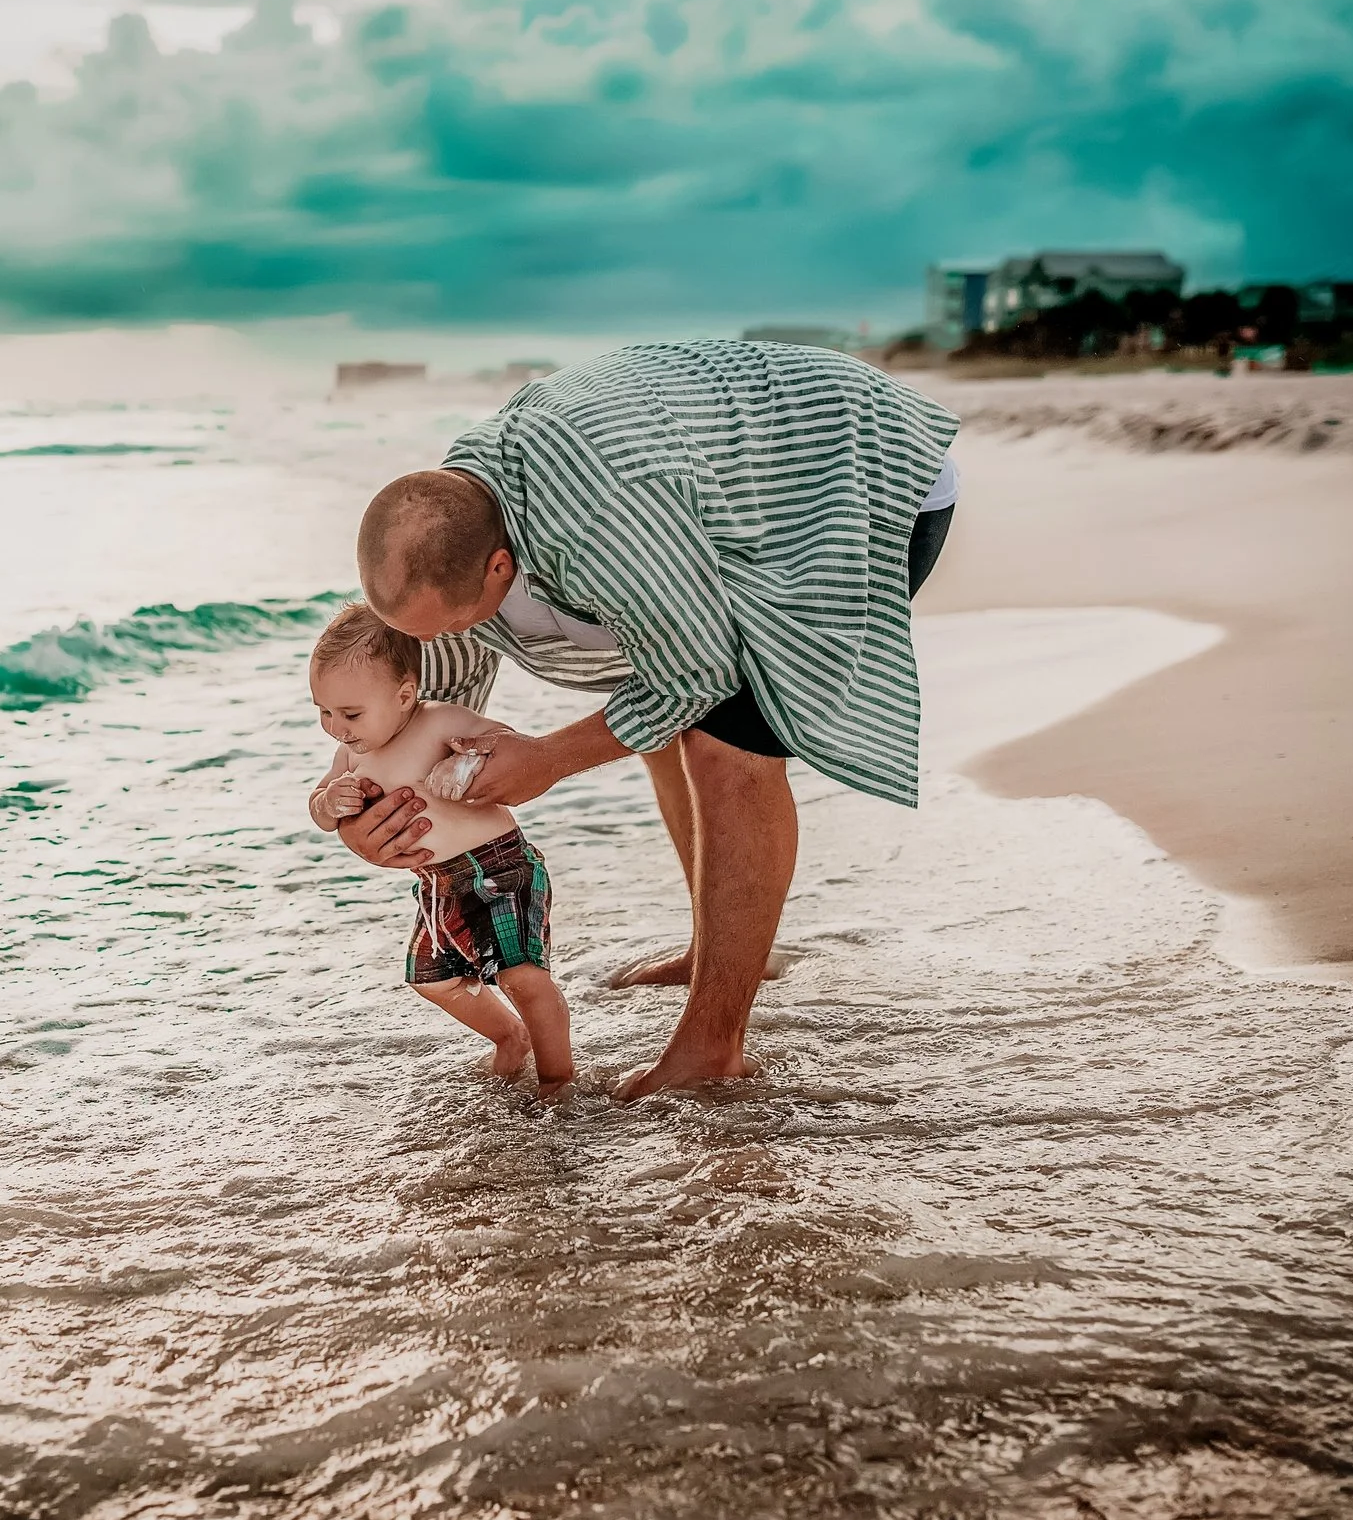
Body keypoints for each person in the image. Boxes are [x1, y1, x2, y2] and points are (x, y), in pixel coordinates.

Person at [333, 339, 959, 1100]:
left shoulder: (600, 520)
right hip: (704, 483)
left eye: (442, 627)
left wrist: (551, 758)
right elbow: (433, 702)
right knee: (658, 718)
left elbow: (698, 673)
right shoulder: (453, 515)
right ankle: (717, 950)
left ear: (501, 568)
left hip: (846, 470)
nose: (433, 649)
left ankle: (714, 1044)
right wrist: (370, 812)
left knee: (726, 742)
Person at [305, 603, 576, 1095]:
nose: (336, 726)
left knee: (523, 978)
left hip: (498, 866)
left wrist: (469, 760)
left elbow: (505, 741)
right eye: (323, 711)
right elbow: (321, 805)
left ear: (405, 695)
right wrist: (329, 802)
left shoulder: (437, 722)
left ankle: (557, 1079)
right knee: (430, 978)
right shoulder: (351, 752)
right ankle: (510, 1037)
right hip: (438, 884)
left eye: (350, 713)